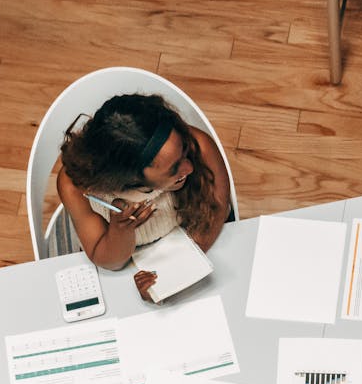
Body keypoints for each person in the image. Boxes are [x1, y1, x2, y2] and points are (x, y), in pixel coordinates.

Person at [57, 93, 232, 297]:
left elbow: (216, 209)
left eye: (184, 150)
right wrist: (121, 231)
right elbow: (110, 262)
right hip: (126, 261)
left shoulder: (198, 143)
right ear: (130, 180)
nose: (190, 167)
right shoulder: (74, 187)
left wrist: (172, 275)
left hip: (193, 239)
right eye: (174, 169)